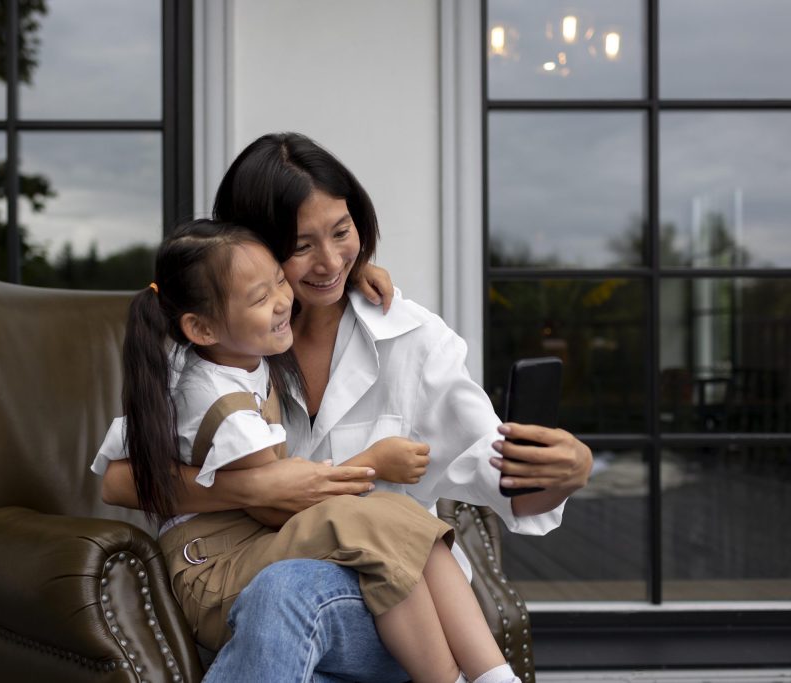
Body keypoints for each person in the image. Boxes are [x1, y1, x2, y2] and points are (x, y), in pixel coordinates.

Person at [100, 132, 594, 682]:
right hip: (251, 595)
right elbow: (123, 479)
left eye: (342, 233)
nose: (331, 261)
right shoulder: (214, 357)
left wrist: (567, 470)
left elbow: (498, 477)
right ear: (251, 249)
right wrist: (251, 488)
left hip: (395, 610)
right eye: (302, 245)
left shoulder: (411, 339)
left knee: (289, 588)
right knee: (284, 591)